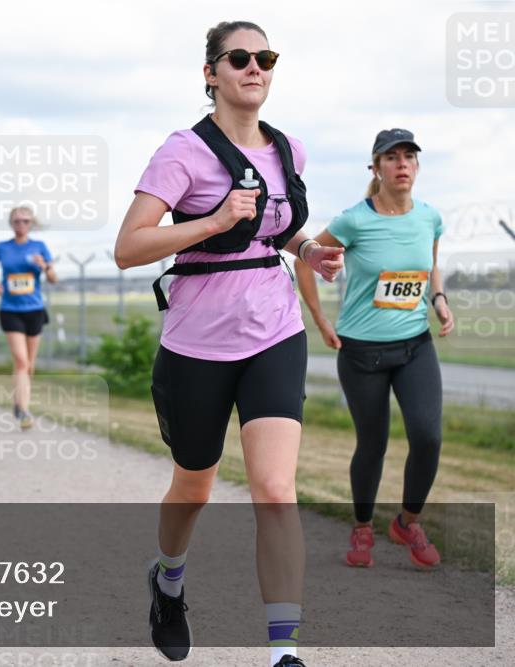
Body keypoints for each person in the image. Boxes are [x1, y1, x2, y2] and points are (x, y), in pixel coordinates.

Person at [113, 21, 343, 667]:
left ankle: (283, 651)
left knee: (275, 487)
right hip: (196, 344)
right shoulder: (183, 151)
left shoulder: (289, 150)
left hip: (274, 329)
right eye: (239, 58)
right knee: (195, 485)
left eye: (264, 57)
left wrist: (310, 250)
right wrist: (212, 220)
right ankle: (169, 579)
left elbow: (277, 232)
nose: (254, 67)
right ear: (211, 73)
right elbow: (128, 248)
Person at [295, 129, 452, 570]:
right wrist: (321, 319)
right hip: (361, 352)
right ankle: (362, 527)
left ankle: (407, 522)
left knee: (428, 436)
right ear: (376, 168)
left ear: (416, 167)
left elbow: (431, 266)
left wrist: (438, 301)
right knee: (374, 443)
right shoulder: (353, 220)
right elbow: (303, 262)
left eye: (409, 157)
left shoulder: (430, 218)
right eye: (391, 157)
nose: (402, 164)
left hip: (414, 346)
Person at [0, 206, 56, 429]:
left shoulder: (39, 247)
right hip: (10, 309)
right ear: (11, 223)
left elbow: (53, 278)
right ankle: (24, 412)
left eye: (25, 221)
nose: (21, 225)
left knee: (30, 364)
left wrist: (44, 266)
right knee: (21, 361)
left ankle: (19, 401)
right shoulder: (2, 247)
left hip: (34, 309)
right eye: (17, 221)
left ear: (31, 224)